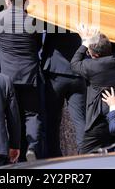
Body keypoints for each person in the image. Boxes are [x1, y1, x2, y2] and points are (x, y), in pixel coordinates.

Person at [0, 0, 43, 161]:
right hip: (29, 74)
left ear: (6, 0)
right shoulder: (33, 20)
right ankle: (32, 148)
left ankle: (8, 148)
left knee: (6, 113)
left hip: (5, 74)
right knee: (32, 114)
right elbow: (38, 45)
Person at [70, 24, 115, 154]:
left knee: (84, 155)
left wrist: (85, 42)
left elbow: (74, 64)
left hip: (99, 121)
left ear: (95, 55)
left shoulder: (91, 66)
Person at [41, 27, 86, 157]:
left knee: (52, 120)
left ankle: (54, 157)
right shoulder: (80, 16)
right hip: (77, 73)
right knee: (79, 119)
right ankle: (85, 156)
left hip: (55, 72)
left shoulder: (54, 16)